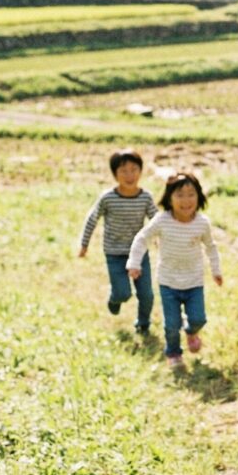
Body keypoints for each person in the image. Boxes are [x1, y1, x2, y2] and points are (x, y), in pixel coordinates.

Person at [127, 172, 223, 368]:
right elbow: (142, 238)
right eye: (180, 195)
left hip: (194, 281)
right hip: (168, 281)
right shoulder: (162, 221)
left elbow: (211, 247)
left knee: (198, 318)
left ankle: (191, 331)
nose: (186, 200)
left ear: (199, 197)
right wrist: (134, 262)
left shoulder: (202, 223)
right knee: (171, 324)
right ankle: (173, 352)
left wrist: (216, 270)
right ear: (169, 198)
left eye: (191, 194)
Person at [78, 148, 157, 334]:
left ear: (140, 171)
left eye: (134, 169)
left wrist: (161, 239)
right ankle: (114, 299)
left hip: (138, 253)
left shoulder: (145, 197)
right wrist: (84, 244)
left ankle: (143, 324)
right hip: (114, 253)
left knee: (146, 294)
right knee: (123, 293)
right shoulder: (108, 198)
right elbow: (92, 218)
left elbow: (156, 221)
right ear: (115, 174)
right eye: (123, 171)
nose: (129, 175)